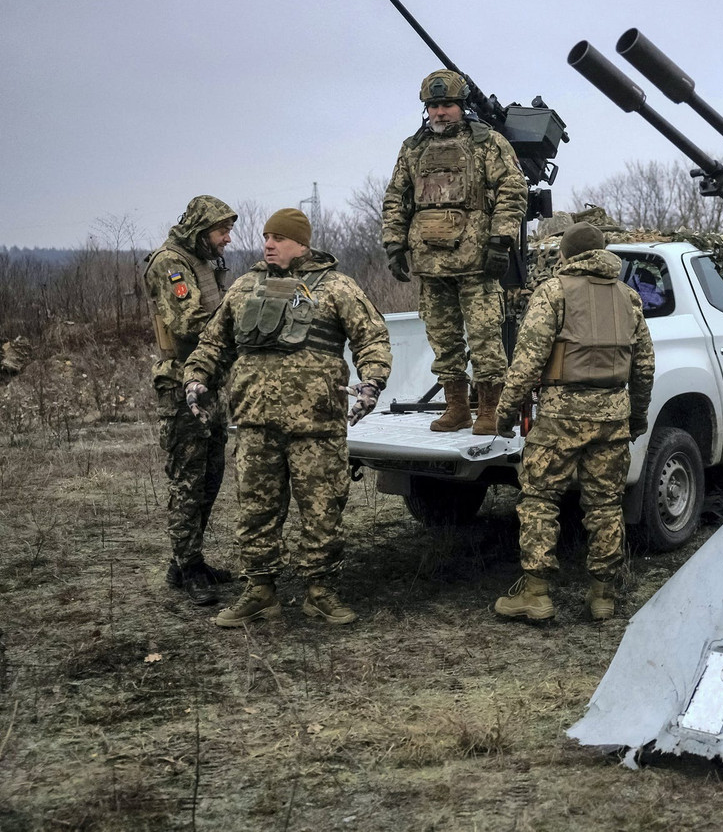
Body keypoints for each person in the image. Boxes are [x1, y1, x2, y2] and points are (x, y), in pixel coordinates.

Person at [182, 208, 392, 628]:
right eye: (265, 237)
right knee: (256, 510)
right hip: (256, 422)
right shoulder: (244, 288)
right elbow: (213, 342)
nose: (268, 245)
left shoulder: (336, 287)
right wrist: (196, 377)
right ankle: (259, 591)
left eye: (278, 238)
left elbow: (372, 337)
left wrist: (372, 382)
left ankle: (320, 592)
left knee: (322, 509)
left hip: (316, 424)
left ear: (301, 243)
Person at [493, 222, 655, 621]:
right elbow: (645, 366)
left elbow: (527, 360)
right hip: (612, 418)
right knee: (605, 505)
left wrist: (505, 413)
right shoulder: (628, 297)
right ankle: (602, 596)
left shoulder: (554, 291)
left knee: (540, 500)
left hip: (559, 418)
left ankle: (536, 593)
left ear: (566, 255)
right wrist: (636, 417)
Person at [382, 69, 527, 435]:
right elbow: (396, 198)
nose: (439, 112)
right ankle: (457, 408)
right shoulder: (413, 148)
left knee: (485, 339)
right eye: (433, 106)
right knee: (443, 341)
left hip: (475, 264)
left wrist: (500, 241)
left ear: (461, 106)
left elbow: (513, 190)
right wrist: (394, 244)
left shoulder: (487, 143)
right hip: (430, 264)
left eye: (446, 104)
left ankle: (490, 410)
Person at [143, 195, 237, 606]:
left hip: (211, 381)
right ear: (201, 230)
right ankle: (188, 566)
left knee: (211, 476)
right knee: (188, 479)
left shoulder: (205, 261)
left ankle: (186, 561)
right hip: (182, 383)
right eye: (221, 231)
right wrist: (244, 320)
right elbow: (188, 320)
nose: (227, 239)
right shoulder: (170, 263)